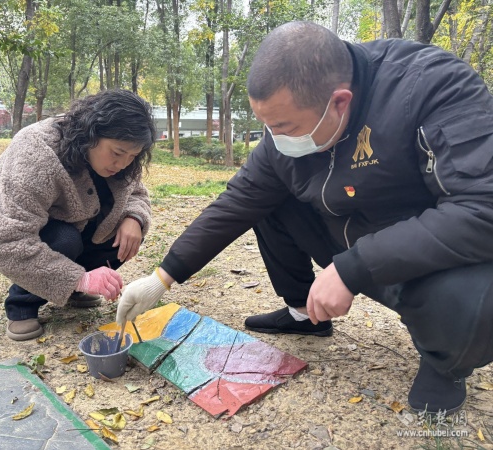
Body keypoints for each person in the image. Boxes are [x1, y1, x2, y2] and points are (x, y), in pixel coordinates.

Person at [116, 21, 493, 415]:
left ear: (340, 102)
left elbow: (482, 209)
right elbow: (240, 199)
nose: (275, 138)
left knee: (476, 295)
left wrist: (353, 267)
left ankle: (445, 363)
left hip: (418, 255)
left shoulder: (432, 87)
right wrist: (163, 276)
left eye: (284, 127)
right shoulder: (289, 125)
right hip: (344, 234)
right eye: (267, 126)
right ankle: (303, 314)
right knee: (266, 200)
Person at [0, 89, 155, 341]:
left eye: (133, 156)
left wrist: (134, 218)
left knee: (125, 234)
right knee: (65, 240)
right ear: (91, 133)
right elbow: (7, 241)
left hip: (76, 224)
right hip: (7, 232)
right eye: (118, 153)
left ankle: (70, 290)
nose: (123, 164)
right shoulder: (36, 153)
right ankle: (22, 305)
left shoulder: (122, 160)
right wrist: (80, 278)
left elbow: (136, 193)